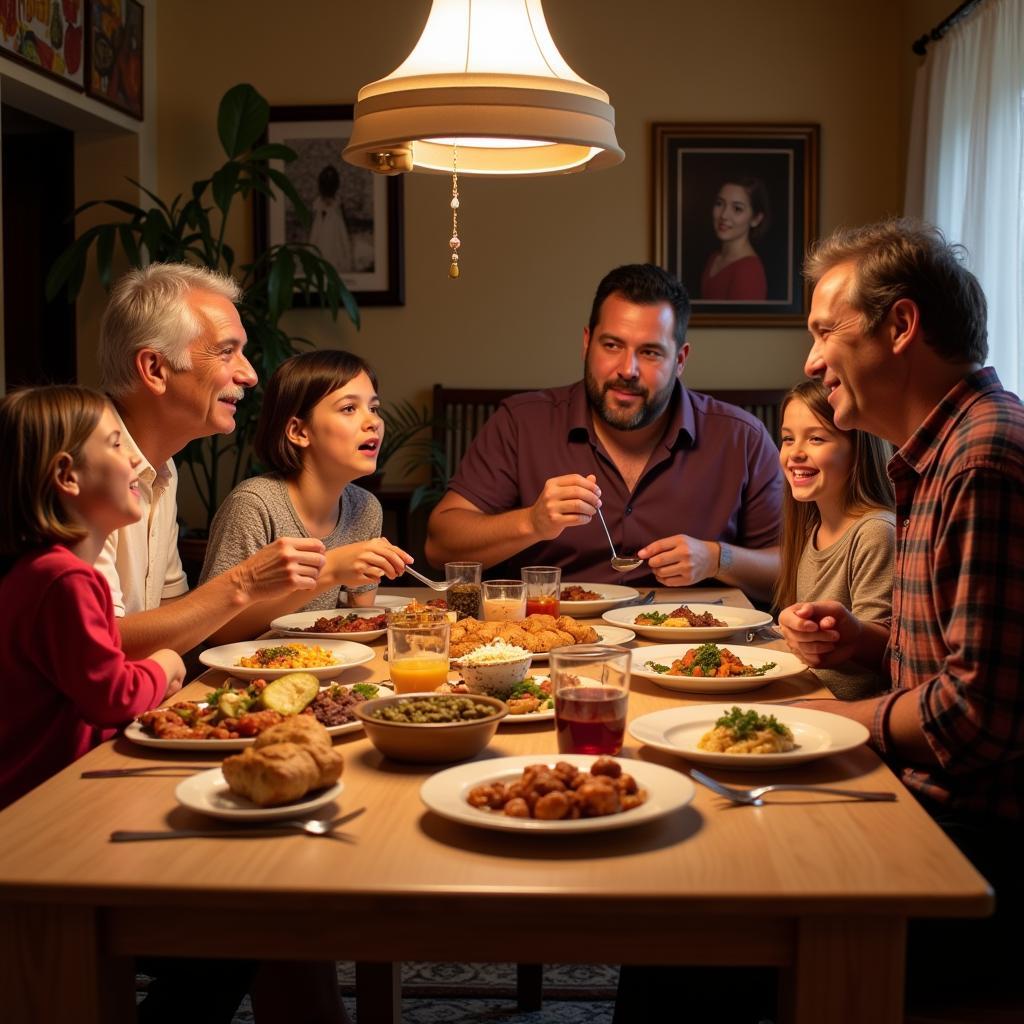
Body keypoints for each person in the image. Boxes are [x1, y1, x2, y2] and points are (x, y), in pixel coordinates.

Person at [782, 218, 1024, 1003]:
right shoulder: (940, 451)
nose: (811, 361)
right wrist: (866, 646)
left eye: (824, 332)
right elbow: (958, 662)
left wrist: (825, 727)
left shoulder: (983, 460)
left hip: (976, 849)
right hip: (923, 805)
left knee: (695, 908)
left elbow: (981, 713)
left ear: (900, 326)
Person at [425, 262, 782, 599]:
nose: (627, 369)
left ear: (680, 360)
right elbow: (440, 548)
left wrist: (719, 559)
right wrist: (531, 522)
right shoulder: (521, 423)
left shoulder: (742, 438)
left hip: (691, 650)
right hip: (548, 642)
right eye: (612, 345)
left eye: (650, 352)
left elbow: (790, 571)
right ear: (586, 342)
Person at [94, 262, 334, 659]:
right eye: (227, 352)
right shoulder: (83, 466)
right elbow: (99, 643)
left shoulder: (162, 467)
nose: (251, 375)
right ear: (155, 368)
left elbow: (171, 616)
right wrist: (244, 582)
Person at [0, 386, 185, 809]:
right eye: (117, 445)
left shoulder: (64, 574)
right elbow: (112, 696)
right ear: (67, 476)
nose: (137, 461)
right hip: (36, 801)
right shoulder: (61, 579)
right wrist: (164, 665)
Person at [200, 350, 411, 642]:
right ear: (298, 431)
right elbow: (216, 631)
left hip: (323, 663)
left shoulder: (365, 508)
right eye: (349, 408)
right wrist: (332, 569)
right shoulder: (255, 505)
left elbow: (360, 619)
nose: (372, 421)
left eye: (374, 408)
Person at [774, 378, 895, 699]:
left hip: (846, 709)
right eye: (787, 439)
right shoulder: (811, 528)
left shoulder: (875, 532)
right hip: (807, 689)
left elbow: (886, 648)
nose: (795, 453)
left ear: (858, 450)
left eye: (816, 438)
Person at [699, 178, 769, 301]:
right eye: (719, 203)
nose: (724, 215)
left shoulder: (749, 271)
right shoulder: (714, 257)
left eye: (737, 209)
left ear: (756, 219)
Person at [309, 164, 354, 274]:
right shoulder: (319, 202)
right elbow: (314, 220)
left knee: (336, 246)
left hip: (335, 229)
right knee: (322, 243)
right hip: (322, 229)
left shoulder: (337, 202)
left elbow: (343, 222)